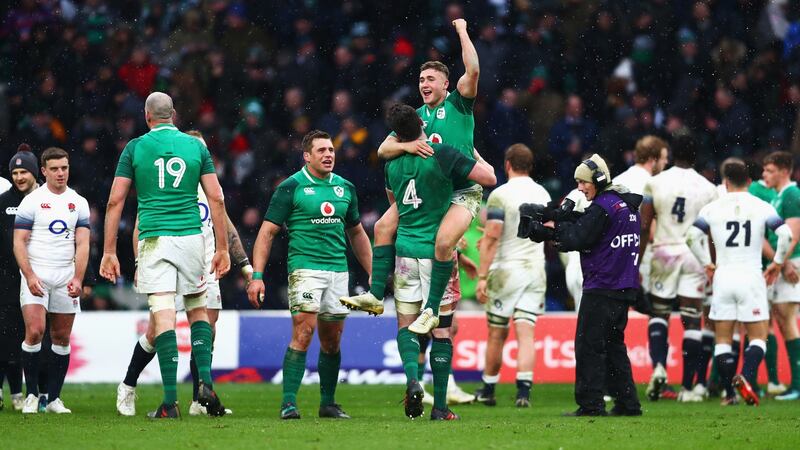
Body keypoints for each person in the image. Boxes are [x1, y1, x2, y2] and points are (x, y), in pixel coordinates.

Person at [342, 18, 482, 332]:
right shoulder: (415, 118)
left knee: (444, 243)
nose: (424, 84)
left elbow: (472, 70)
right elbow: (382, 150)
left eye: (431, 78)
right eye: (421, 79)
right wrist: (408, 147)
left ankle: (432, 309)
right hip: (431, 191)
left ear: (446, 84)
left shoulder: (459, 105)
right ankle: (376, 295)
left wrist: (461, 31)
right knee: (381, 226)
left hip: (461, 191)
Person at [100, 92, 230, 418]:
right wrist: (223, 248)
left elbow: (115, 201)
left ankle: (170, 402)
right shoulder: (196, 146)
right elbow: (216, 197)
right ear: (174, 114)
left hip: (154, 237)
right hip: (191, 237)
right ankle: (206, 383)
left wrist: (109, 251)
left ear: (147, 116)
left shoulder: (134, 148)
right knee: (198, 308)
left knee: (163, 315)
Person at [116, 131, 251, 417]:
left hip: (203, 265)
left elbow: (227, 229)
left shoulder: (209, 192)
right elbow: (141, 226)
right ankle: (128, 384)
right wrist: (140, 263)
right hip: (164, 258)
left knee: (207, 330)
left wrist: (246, 267)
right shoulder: (167, 191)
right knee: (155, 331)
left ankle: (198, 399)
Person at [246, 130, 372, 420]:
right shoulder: (291, 187)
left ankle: (327, 403)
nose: (329, 155)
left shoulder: (345, 188)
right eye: (321, 151)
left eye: (331, 150)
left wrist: (374, 273)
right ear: (307, 156)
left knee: (332, 341)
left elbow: (356, 233)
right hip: (305, 269)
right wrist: (257, 275)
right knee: (304, 332)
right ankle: (289, 402)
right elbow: (267, 233)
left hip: (338, 272)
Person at [381, 104, 495, 420]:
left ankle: (413, 383)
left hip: (405, 252)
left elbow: (395, 209)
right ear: (421, 123)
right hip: (436, 253)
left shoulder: (391, 165)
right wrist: (472, 153)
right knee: (442, 331)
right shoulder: (441, 154)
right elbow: (487, 178)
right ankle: (441, 407)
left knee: (406, 327)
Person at [522, 154, 642, 416]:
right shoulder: (623, 203)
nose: (579, 187)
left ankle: (591, 405)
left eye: (582, 182)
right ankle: (627, 403)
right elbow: (588, 225)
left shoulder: (603, 206)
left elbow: (579, 237)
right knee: (613, 346)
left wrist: (548, 232)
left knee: (589, 346)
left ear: (598, 180)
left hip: (602, 285)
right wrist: (553, 215)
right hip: (624, 286)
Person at [686, 160, 793, 405]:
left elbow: (692, 237)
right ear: (749, 181)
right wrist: (777, 262)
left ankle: (730, 394)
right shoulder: (761, 205)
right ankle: (745, 376)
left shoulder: (712, 208)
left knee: (722, 340)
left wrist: (706, 263)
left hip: (723, 277)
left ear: (725, 182)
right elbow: (785, 234)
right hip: (751, 276)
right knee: (758, 337)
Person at [639, 135, 718, 402]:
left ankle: (659, 365)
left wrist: (636, 261)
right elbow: (711, 232)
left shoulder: (655, 182)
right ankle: (686, 387)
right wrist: (712, 264)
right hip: (694, 255)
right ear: (696, 157)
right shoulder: (709, 188)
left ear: (672, 155)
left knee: (658, 313)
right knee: (693, 319)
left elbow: (643, 224)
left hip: (664, 251)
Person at [13, 147, 90, 414]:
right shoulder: (32, 201)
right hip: (37, 273)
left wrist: (79, 278)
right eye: (55, 169)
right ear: (43, 171)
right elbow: (19, 242)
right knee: (35, 331)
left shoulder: (78, 202)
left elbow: (83, 243)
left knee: (61, 337)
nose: (60, 173)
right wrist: (30, 275)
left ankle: (54, 398)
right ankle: (32, 395)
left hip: (65, 275)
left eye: (64, 168)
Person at [473, 144, 550, 408]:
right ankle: (523, 392)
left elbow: (494, 236)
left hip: (507, 269)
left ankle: (488, 389)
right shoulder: (542, 193)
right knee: (526, 332)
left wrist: (482, 276)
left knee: (497, 333)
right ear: (530, 166)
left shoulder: (500, 194)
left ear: (507, 165)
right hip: (536, 268)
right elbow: (549, 230)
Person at [0, 145, 39, 412]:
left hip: (41, 278)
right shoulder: (3, 203)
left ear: (35, 173)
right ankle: (14, 393)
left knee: (36, 338)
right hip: (7, 281)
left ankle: (41, 393)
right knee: (8, 340)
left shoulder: (49, 202)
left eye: (24, 171)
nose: (19, 176)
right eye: (15, 172)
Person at [760, 151, 800, 401]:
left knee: (787, 318)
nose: (765, 175)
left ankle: (797, 384)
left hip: (791, 263)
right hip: (781, 261)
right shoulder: (777, 196)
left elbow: (794, 234)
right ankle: (793, 384)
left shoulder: (792, 194)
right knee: (781, 317)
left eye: (770, 170)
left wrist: (781, 264)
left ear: (785, 171)